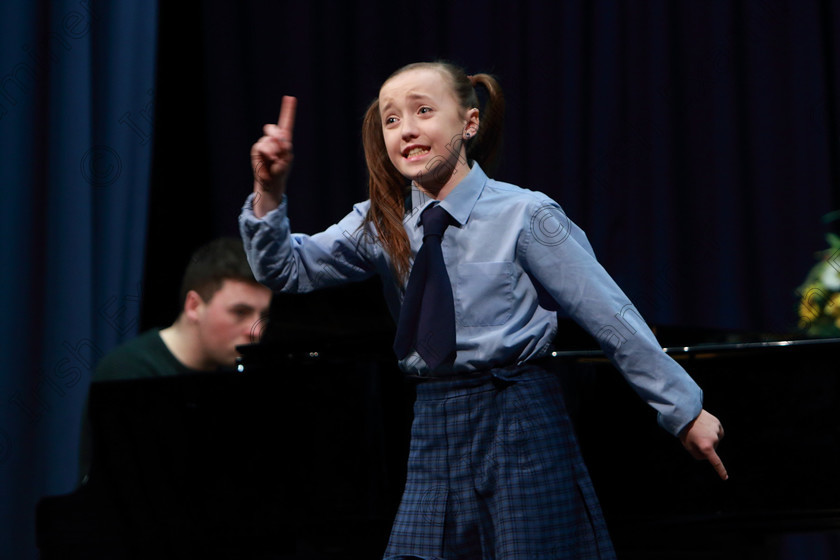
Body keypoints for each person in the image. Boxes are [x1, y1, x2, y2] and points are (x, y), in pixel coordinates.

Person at [240, 61, 726, 559]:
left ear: (469, 123)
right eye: (390, 120)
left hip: (518, 419)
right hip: (435, 422)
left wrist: (683, 410)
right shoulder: (380, 221)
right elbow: (285, 270)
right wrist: (270, 191)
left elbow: (609, 313)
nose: (405, 129)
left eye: (423, 111)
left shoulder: (524, 214)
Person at [78, 237, 272, 483]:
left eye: (262, 315)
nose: (255, 330)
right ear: (193, 306)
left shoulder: (236, 373)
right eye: (240, 312)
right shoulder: (130, 371)